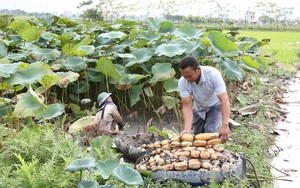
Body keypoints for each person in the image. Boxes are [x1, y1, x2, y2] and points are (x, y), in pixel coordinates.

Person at [178, 56, 230, 143]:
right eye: (184, 76)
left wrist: (225, 125)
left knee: (210, 133)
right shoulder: (183, 82)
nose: (186, 79)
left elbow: (224, 100)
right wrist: (187, 129)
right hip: (199, 107)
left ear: (197, 69)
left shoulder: (213, 75)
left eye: (189, 76)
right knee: (196, 137)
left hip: (215, 105)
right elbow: (187, 106)